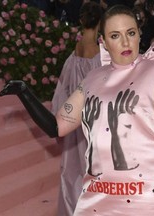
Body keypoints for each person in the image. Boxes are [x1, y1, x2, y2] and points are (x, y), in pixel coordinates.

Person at [0, 4, 154, 215]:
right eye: (115, 36)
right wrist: (25, 93)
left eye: (131, 33)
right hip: (98, 197)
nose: (126, 43)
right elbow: (56, 126)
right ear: (104, 42)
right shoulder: (92, 79)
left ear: (139, 34)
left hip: (149, 197)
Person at [51, 2, 103, 216]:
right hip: (95, 123)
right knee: (95, 169)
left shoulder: (75, 53)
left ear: (81, 21)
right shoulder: (101, 55)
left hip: (73, 123)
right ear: (101, 22)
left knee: (73, 170)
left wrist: (59, 118)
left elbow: (62, 91)